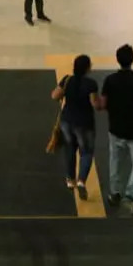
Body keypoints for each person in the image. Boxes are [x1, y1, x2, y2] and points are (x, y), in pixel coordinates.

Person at [99, 44, 133, 218]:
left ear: (117, 59)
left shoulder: (109, 80)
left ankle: (114, 192)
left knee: (115, 160)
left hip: (115, 129)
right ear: (132, 60)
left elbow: (104, 104)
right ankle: (130, 195)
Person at [52, 55, 100, 200]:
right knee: (86, 152)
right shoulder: (91, 84)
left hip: (67, 121)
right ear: (87, 68)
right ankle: (81, 181)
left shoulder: (67, 79)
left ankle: (70, 179)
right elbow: (95, 104)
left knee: (70, 148)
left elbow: (55, 95)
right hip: (84, 123)